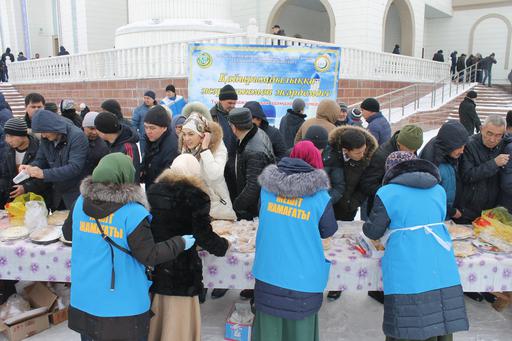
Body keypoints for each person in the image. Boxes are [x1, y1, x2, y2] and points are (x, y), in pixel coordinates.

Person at [62, 153, 195, 341]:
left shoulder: (79, 204)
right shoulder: (132, 213)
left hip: (86, 295)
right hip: (122, 301)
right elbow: (149, 255)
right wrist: (179, 243)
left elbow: (68, 234)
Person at [363, 151, 469, 341]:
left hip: (406, 257)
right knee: (439, 309)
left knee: (409, 317)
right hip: (439, 257)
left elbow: (373, 232)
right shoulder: (439, 189)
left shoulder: (387, 192)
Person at [252, 141, 337, 341]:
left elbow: (262, 214)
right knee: (301, 334)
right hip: (303, 279)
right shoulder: (320, 197)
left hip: (269, 273)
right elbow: (328, 230)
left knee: (268, 333)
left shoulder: (267, 191)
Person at [147, 154, 229, 341]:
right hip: (183, 268)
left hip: (158, 264)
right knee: (180, 323)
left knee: (159, 316)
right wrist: (224, 245)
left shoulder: (153, 191)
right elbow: (204, 235)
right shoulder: (197, 197)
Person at [20, 110, 88, 210]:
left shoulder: (77, 136)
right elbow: (41, 159)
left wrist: (43, 174)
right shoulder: (46, 138)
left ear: (53, 127)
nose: (43, 136)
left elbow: (74, 167)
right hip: (58, 192)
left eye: (44, 132)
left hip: (76, 192)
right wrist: (31, 167)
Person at [180, 113, 236, 221]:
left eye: (191, 134)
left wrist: (205, 150)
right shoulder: (187, 150)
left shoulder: (218, 147)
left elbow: (215, 175)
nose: (186, 138)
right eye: (184, 134)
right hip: (196, 209)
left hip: (218, 211)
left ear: (203, 134)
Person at [360, 125, 423, 217]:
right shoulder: (382, 156)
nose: (411, 153)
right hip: (381, 207)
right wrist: (392, 191)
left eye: (414, 150)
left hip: (400, 206)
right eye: (408, 149)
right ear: (399, 142)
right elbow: (367, 184)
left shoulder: (409, 151)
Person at [458, 115, 510, 224]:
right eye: (489, 133)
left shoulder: (503, 142)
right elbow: (467, 175)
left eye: (498, 135)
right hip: (468, 209)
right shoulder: (469, 145)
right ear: (482, 129)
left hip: (490, 210)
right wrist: (494, 163)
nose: (492, 139)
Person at [228, 107, 275, 220]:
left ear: (234, 128)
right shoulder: (256, 133)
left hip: (254, 210)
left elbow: (253, 188)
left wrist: (235, 206)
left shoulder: (254, 151)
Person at [420, 121, 469, 220]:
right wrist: (451, 211)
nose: (462, 150)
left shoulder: (445, 151)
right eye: (459, 147)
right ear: (449, 144)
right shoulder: (432, 163)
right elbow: (429, 197)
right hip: (436, 217)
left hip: (446, 213)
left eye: (463, 146)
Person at [0, 118, 41, 208]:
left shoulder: (39, 149)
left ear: (23, 135)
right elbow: (5, 175)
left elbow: (45, 177)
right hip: (14, 201)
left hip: (36, 201)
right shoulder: (8, 151)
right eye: (6, 136)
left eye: (11, 136)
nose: (8, 140)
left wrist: (26, 188)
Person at [209, 85, 239, 197]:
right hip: (218, 161)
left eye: (234, 103)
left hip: (234, 161)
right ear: (220, 100)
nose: (232, 106)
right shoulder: (211, 116)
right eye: (229, 103)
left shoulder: (236, 115)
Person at [140, 105, 178, 188]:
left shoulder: (172, 147)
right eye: (145, 127)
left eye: (152, 128)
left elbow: (168, 179)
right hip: (151, 190)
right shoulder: (150, 139)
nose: (148, 131)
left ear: (164, 128)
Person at [81, 112, 109, 177]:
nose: (94, 132)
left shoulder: (103, 146)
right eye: (91, 128)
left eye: (97, 129)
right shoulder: (74, 140)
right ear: (84, 126)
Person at [132, 90, 158, 155]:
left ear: (153, 99)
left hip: (156, 137)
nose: (146, 100)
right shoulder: (139, 110)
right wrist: (138, 135)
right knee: (144, 155)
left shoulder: (158, 109)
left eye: (148, 98)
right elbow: (134, 124)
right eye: (145, 98)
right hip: (144, 139)